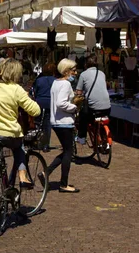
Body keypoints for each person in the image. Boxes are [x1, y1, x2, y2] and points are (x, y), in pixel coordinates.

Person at [0, 58, 41, 187]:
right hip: (8, 133)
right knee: (19, 148)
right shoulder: (16, 89)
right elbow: (35, 111)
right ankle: (22, 176)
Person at [45, 59, 79, 193]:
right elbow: (61, 103)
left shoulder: (56, 82)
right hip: (64, 122)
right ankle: (63, 183)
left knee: (66, 150)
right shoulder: (65, 84)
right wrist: (74, 107)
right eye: (73, 70)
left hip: (56, 121)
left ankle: (47, 172)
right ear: (66, 71)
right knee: (68, 152)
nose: (75, 73)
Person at [75, 54, 111, 144]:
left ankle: (81, 137)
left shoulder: (83, 74)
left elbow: (78, 92)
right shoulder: (102, 73)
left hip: (93, 108)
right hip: (107, 107)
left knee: (82, 115)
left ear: (86, 64)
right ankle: (102, 135)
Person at [31, 63, 57, 152]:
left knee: (38, 123)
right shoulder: (55, 80)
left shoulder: (39, 80)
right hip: (51, 103)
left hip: (39, 103)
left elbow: (34, 91)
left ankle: (37, 141)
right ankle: (46, 144)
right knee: (47, 125)